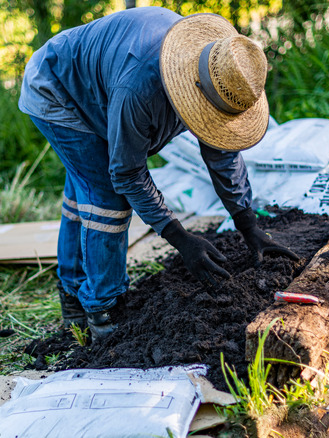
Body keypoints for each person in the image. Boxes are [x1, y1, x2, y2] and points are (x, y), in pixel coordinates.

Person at [18, 6, 298, 341]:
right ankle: (102, 308)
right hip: (57, 87)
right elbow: (127, 173)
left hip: (103, 87)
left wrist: (247, 223)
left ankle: (75, 294)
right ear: (192, 91)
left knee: (86, 187)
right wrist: (179, 237)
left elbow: (221, 153)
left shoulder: (221, 72)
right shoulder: (141, 87)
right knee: (106, 196)